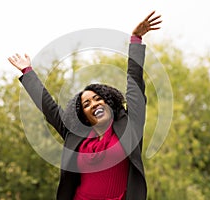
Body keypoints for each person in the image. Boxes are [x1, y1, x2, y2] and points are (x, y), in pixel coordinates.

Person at [8, 10, 162, 200]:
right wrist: (27, 71)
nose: (94, 103)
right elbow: (49, 108)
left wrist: (136, 40)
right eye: (87, 103)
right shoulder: (75, 136)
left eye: (99, 98)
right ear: (84, 115)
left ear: (109, 103)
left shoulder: (129, 126)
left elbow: (134, 84)